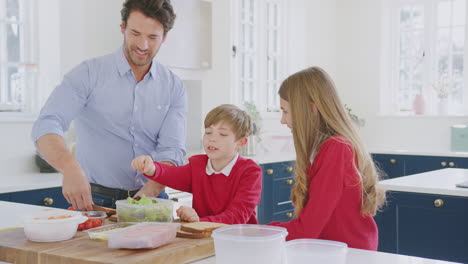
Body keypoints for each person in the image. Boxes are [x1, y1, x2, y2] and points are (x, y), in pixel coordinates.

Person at [31, 0, 187, 211]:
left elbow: (171, 150)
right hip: (94, 201)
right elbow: (47, 124)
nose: (142, 45)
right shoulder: (88, 74)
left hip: (153, 198)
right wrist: (69, 168)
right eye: (135, 33)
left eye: (152, 37)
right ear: (122, 27)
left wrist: (146, 196)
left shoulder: (173, 86)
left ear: (165, 37)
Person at [267, 67, 386, 250]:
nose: (283, 120)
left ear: (311, 109)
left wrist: (259, 232)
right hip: (332, 250)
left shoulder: (336, 149)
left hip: (350, 255)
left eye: (285, 111)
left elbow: (305, 230)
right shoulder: (323, 149)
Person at [131, 104, 262, 224]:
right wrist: (151, 167)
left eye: (222, 134)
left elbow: (237, 216)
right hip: (203, 237)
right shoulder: (198, 165)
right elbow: (172, 175)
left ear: (241, 143)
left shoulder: (250, 172)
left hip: (238, 242)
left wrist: (199, 221)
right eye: (208, 132)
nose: (212, 138)